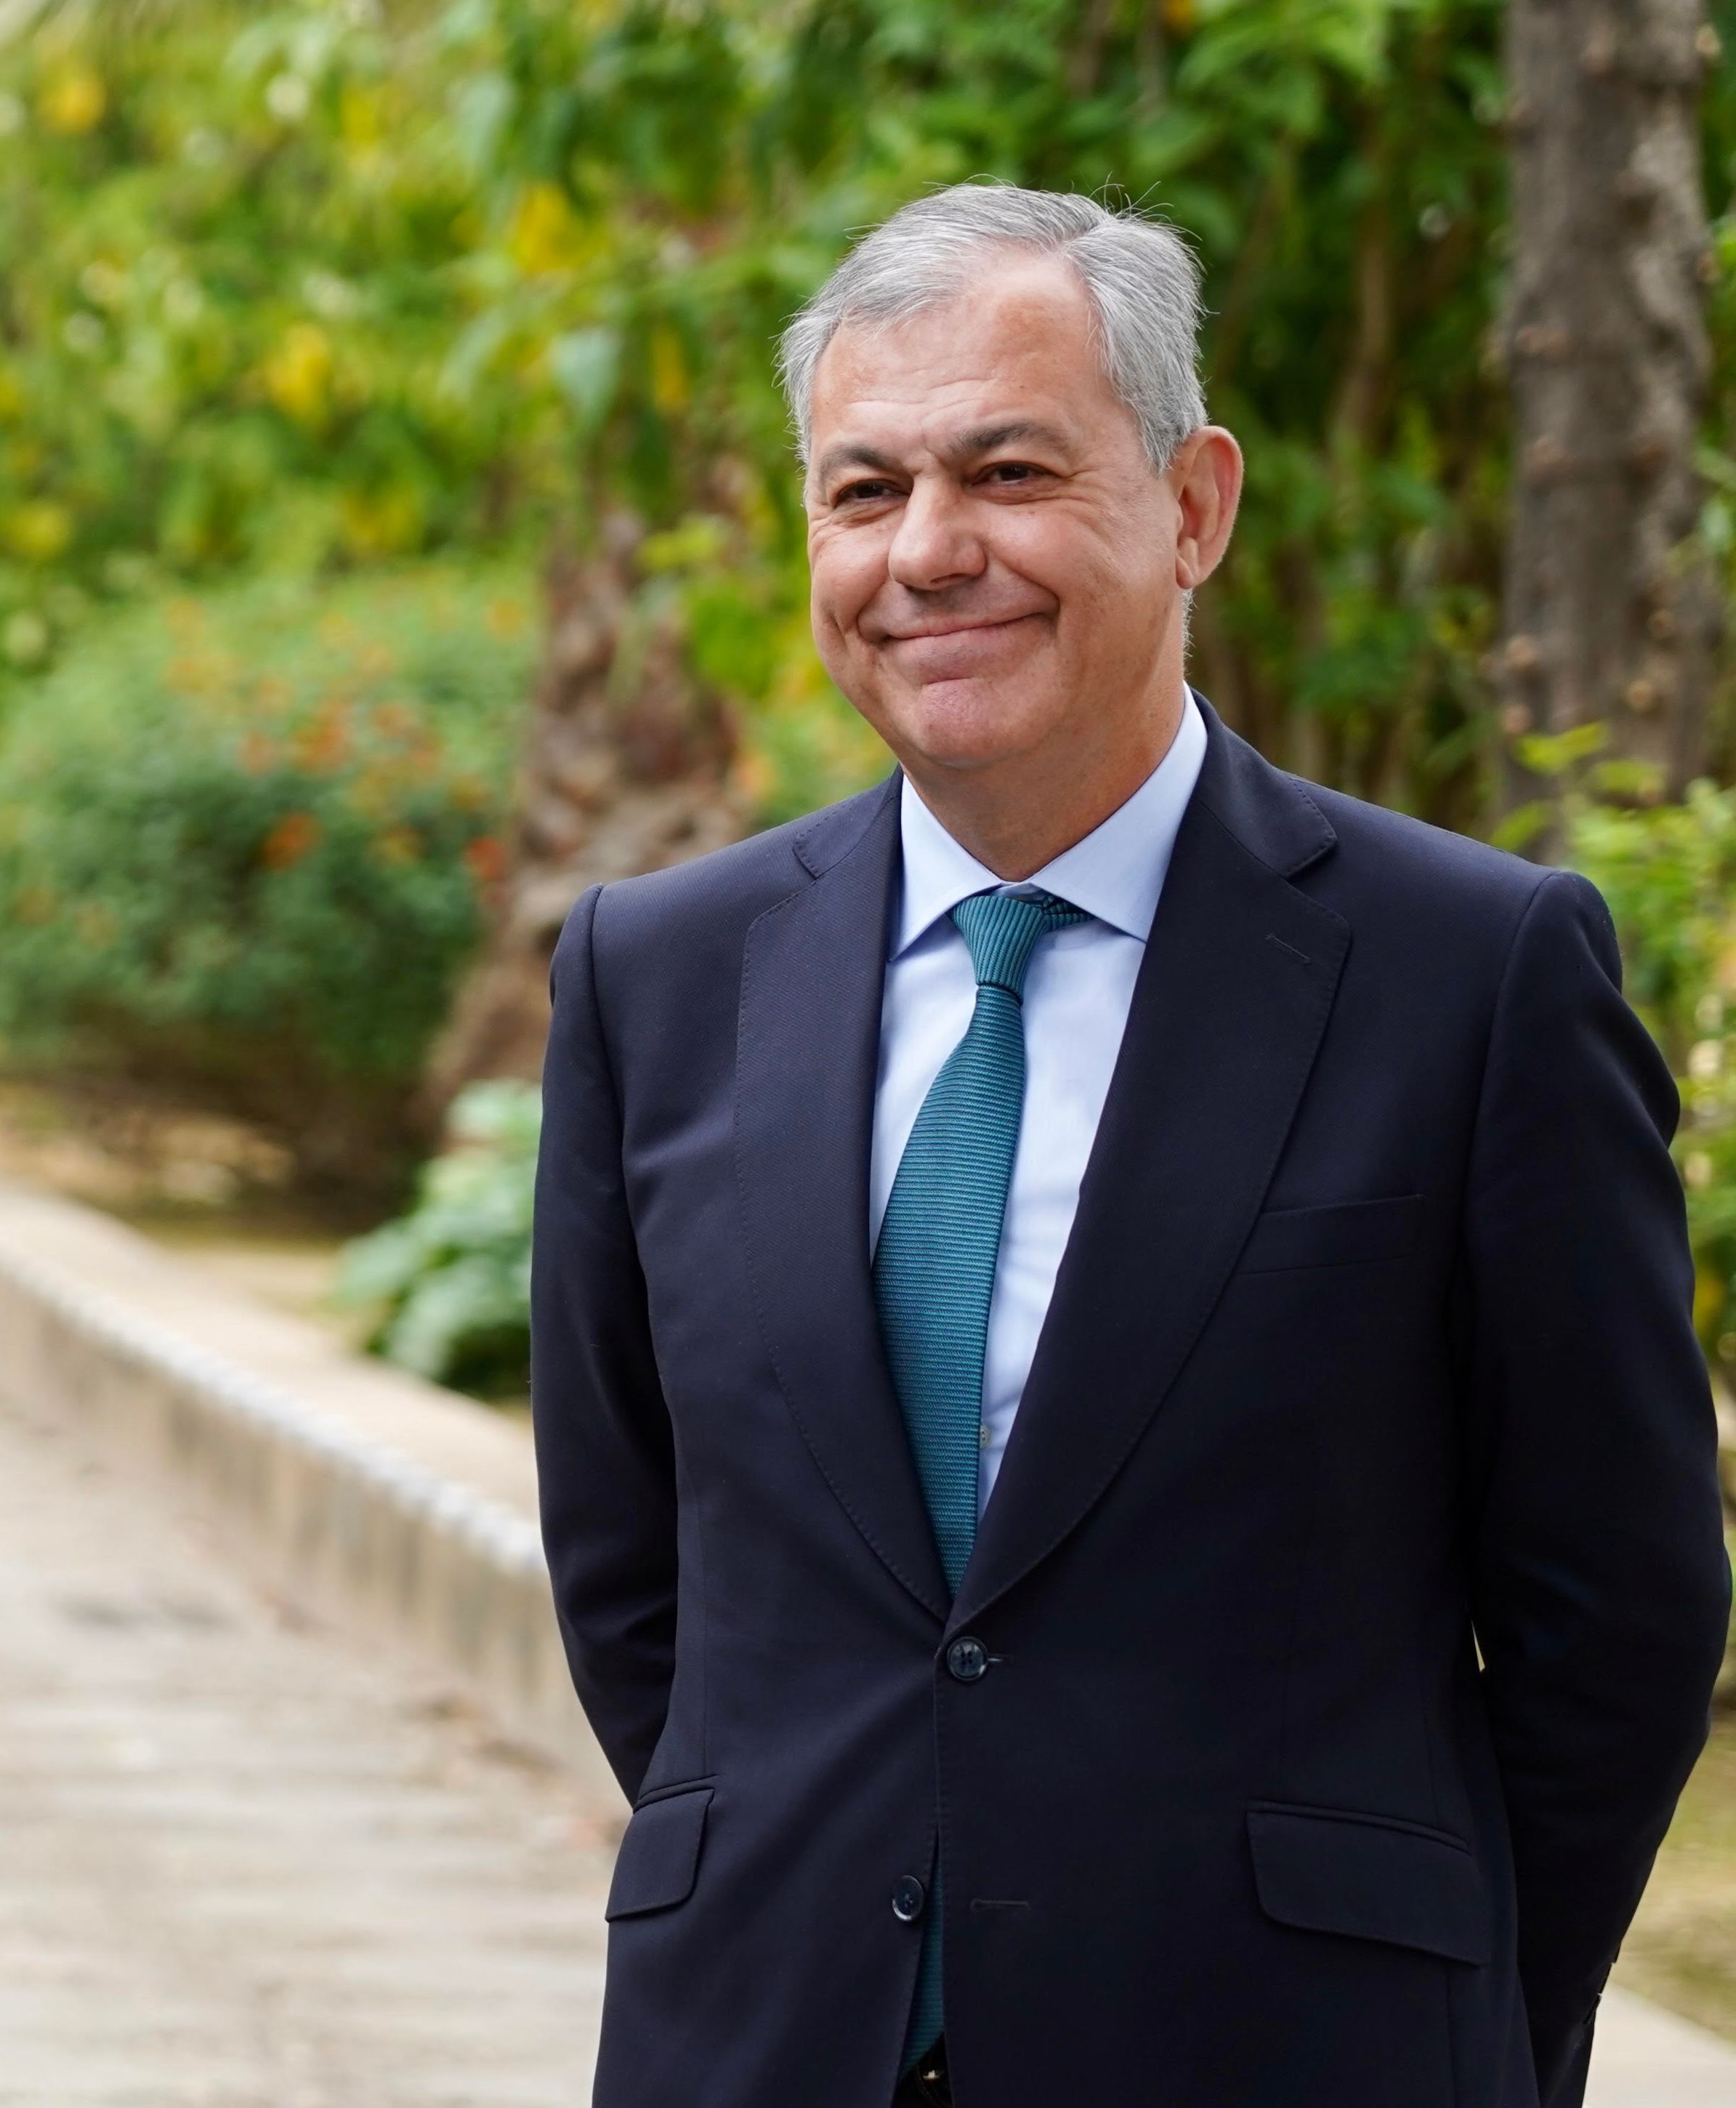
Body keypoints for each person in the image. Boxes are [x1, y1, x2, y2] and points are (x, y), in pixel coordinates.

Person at [530, 184, 1727, 2108]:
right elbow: (628, 1566)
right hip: (761, 2042)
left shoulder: (1470, 972)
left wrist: (1466, 2027)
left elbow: (1615, 1609)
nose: (926, 551)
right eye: (860, 490)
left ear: (1190, 505)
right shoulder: (653, 974)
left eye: (1005, 471)